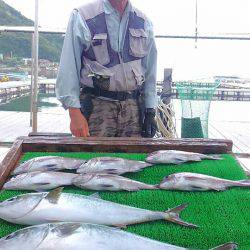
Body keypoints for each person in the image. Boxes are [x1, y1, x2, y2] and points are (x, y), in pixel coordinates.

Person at [56, 0, 157, 138]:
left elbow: (150, 71)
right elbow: (69, 67)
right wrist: (74, 113)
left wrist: (150, 111)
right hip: (96, 106)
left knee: (132, 159)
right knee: (93, 158)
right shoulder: (82, 16)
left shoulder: (144, 22)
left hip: (133, 109)